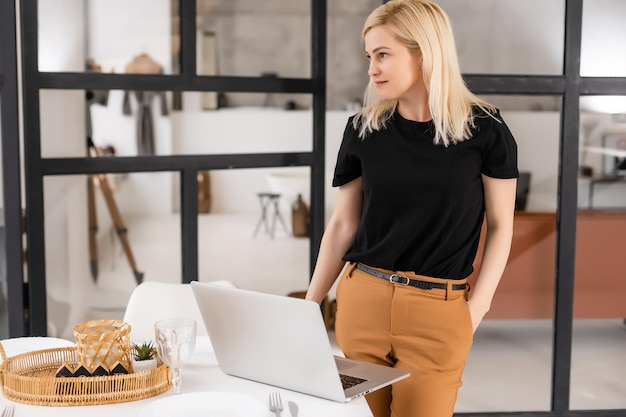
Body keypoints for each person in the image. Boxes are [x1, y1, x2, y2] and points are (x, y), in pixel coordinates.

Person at [305, 1, 518, 416]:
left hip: (438, 315)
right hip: (361, 303)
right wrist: (310, 305)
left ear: (426, 51)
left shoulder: (487, 132)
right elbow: (342, 225)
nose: (372, 69)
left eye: (383, 55)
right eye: (369, 57)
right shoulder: (363, 129)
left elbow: (502, 227)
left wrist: (474, 313)